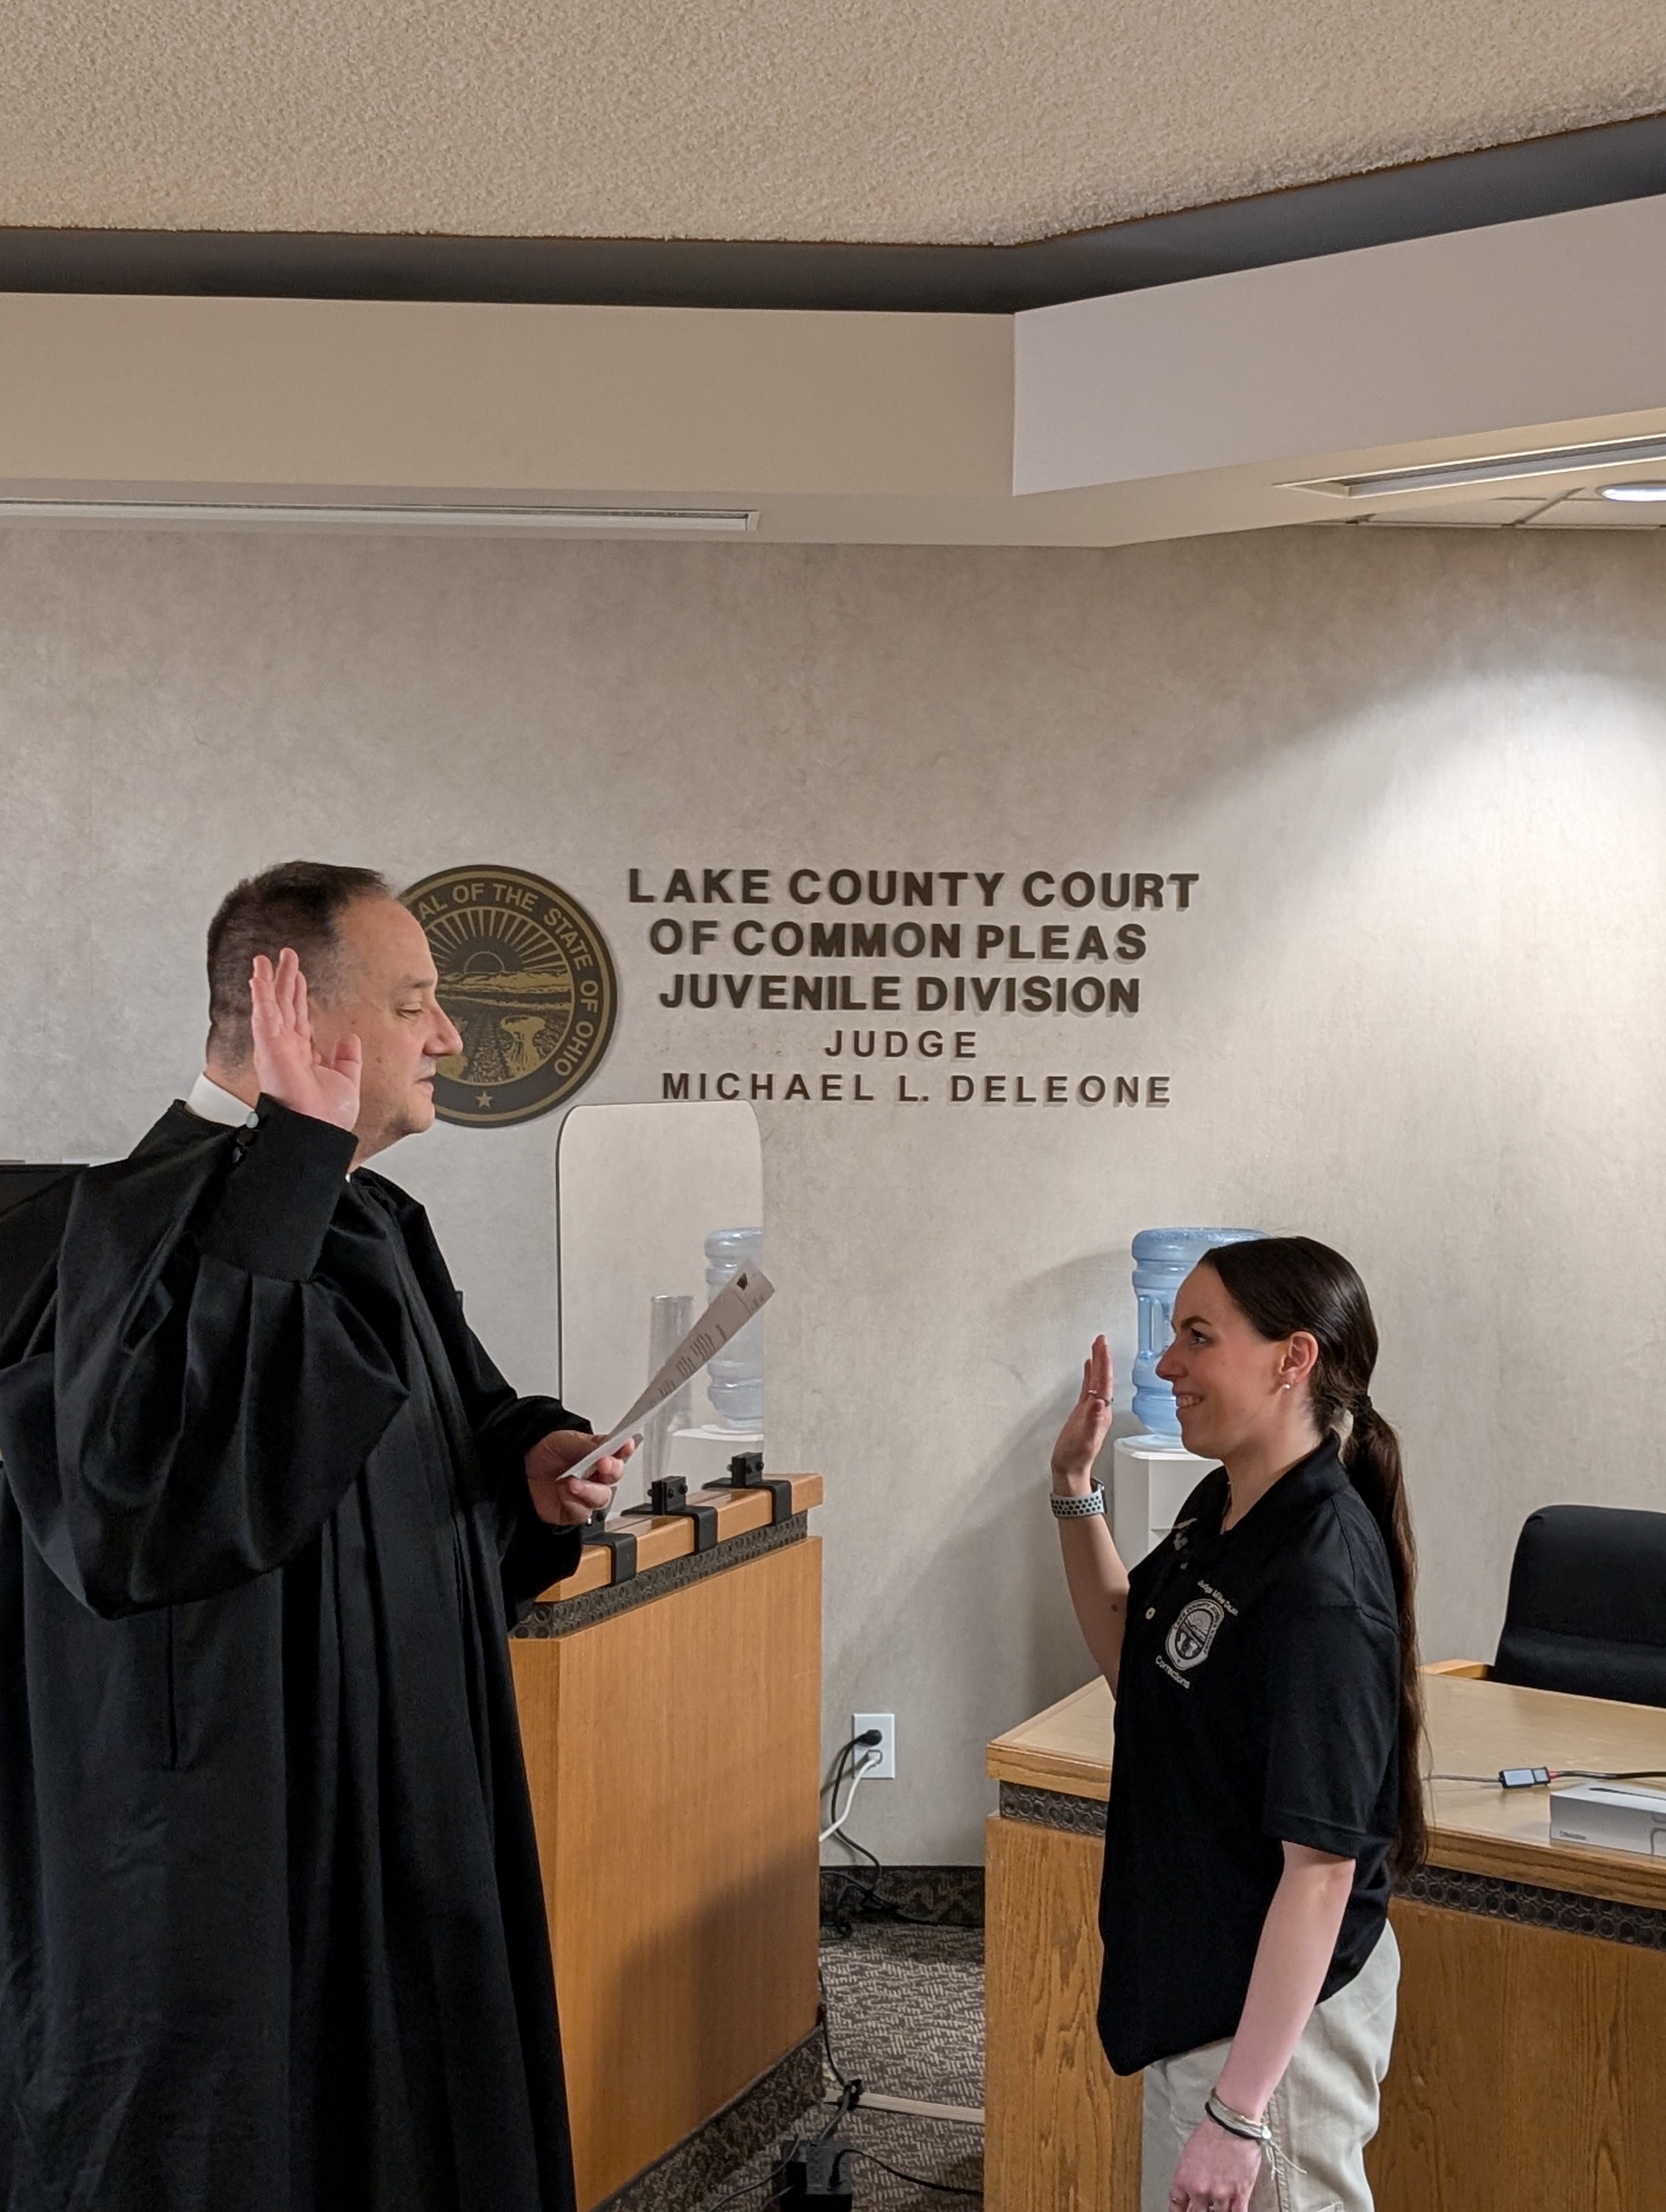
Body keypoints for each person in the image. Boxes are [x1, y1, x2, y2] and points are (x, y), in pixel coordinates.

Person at [0, 861, 632, 2212]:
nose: (449, 1036)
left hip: (407, 1817)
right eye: (418, 1003)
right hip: (241, 1863)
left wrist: (535, 1457)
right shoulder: (103, 1235)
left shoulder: (377, 1220)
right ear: (298, 1014)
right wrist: (289, 1151)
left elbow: (457, 1413)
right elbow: (148, 1502)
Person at [1048, 1237, 1421, 2212]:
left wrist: (1241, 2112)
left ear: (1293, 1359)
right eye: (1175, 1334)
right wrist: (1073, 1490)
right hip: (1212, 1996)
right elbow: (1142, 1659)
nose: (1166, 1362)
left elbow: (1324, 1868)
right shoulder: (1226, 1504)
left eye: (1199, 1336)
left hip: (1273, 2035)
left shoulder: (1322, 1581)